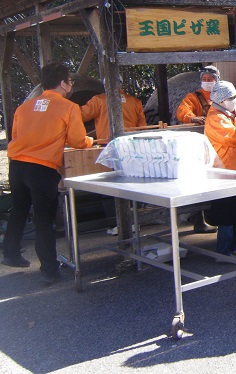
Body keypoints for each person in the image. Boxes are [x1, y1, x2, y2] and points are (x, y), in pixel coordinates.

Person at [2, 63, 94, 284]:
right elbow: (77, 141)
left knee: (20, 209)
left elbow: (15, 135)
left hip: (17, 165)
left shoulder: (24, 108)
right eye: (70, 82)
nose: (71, 85)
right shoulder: (68, 107)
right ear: (63, 83)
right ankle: (49, 270)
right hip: (42, 168)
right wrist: (90, 140)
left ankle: (11, 253)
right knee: (44, 220)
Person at [204, 81, 236, 259]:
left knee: (234, 213)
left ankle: (233, 245)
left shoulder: (226, 115)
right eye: (231, 98)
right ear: (221, 100)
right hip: (222, 174)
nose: (234, 101)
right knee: (225, 215)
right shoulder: (216, 118)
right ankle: (223, 251)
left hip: (233, 173)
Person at [176, 65, 220, 232]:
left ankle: (215, 217)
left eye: (210, 79)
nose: (207, 82)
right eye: (204, 79)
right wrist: (192, 118)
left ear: (217, 80)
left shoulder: (221, 95)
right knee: (200, 182)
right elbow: (182, 111)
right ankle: (199, 220)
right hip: (201, 147)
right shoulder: (193, 97)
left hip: (220, 145)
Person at [80, 74, 146, 141]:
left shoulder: (98, 100)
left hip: (107, 143)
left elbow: (81, 115)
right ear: (121, 84)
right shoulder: (135, 102)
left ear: (105, 85)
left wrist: (70, 108)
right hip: (130, 143)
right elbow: (143, 127)